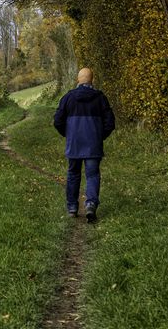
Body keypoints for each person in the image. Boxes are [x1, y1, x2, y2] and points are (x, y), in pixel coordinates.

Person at [53, 68, 116, 223]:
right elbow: (110, 123)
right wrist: (99, 137)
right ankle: (90, 204)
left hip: (74, 144)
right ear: (92, 80)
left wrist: (68, 135)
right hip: (93, 145)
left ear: (78, 80)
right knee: (92, 175)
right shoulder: (100, 98)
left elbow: (57, 121)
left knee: (73, 174)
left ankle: (72, 208)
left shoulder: (68, 98)